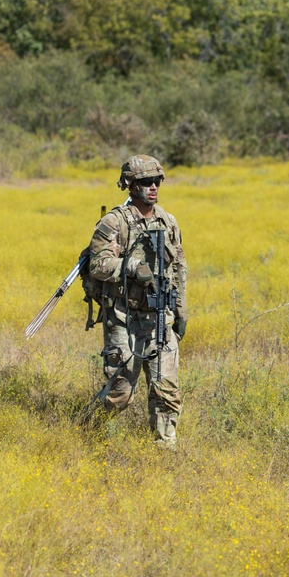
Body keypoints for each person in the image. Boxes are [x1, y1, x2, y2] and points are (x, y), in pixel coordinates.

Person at [87, 155, 188, 446]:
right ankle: (88, 432)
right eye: (146, 182)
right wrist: (130, 266)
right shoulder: (114, 222)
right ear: (131, 185)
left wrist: (181, 309)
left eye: (157, 180)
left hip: (159, 316)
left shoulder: (168, 221)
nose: (153, 186)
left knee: (167, 391)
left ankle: (164, 450)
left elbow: (179, 267)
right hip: (123, 317)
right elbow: (98, 265)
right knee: (120, 393)